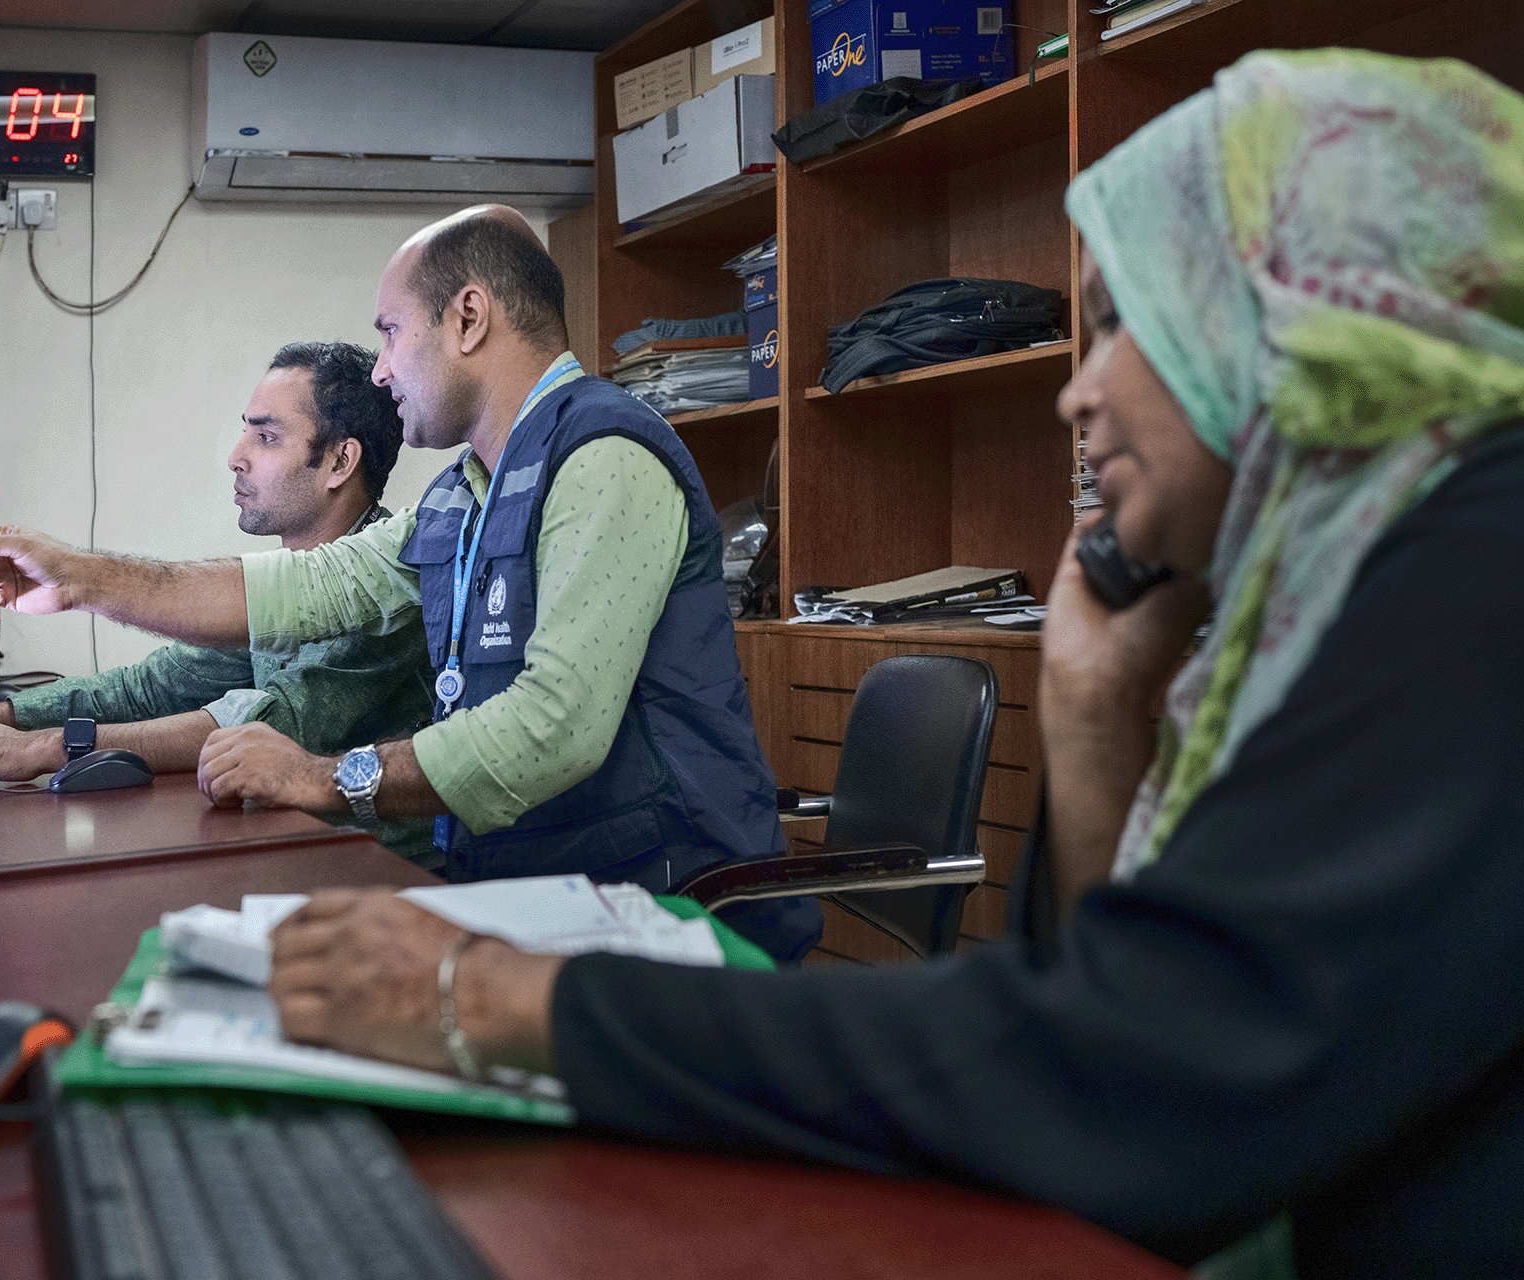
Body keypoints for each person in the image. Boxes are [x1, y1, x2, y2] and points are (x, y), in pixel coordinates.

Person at [257, 51, 1524, 1277]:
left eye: (1117, 325)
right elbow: (1107, 1019)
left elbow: (1119, 1076)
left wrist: (514, 1003)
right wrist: (1091, 702)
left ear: (1298, 315)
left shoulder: (1481, 565)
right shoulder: (1328, 589)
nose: (1075, 396)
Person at [0, 206, 817, 962]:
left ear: (468, 317)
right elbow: (296, 593)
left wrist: (326, 777)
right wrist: (80, 577)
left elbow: (552, 732)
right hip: (539, 893)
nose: (382, 368)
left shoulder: (603, 455)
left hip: (665, 910)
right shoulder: (463, 493)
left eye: (392, 332)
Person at [0, 342, 439, 866]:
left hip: (382, 876)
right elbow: (156, 687)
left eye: (265, 437)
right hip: (295, 850)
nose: (236, 457)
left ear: (339, 462)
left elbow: (262, 724)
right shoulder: (287, 590)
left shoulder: (384, 597)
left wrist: (34, 749)